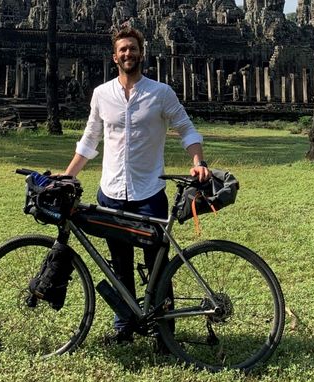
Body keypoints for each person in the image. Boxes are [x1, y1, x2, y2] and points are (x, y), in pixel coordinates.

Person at [63, 26, 210, 344]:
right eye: (122, 49)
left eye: (133, 48)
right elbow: (90, 140)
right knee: (119, 264)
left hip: (149, 193)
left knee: (156, 264)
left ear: (142, 53)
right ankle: (124, 325)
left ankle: (164, 332)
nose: (128, 53)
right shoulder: (102, 94)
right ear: (114, 56)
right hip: (111, 193)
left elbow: (186, 128)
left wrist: (198, 162)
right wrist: (68, 174)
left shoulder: (161, 93)